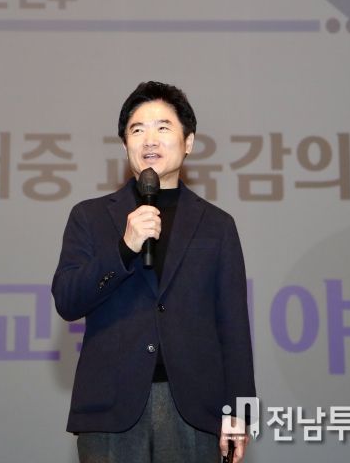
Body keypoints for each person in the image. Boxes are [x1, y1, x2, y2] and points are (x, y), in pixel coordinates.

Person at [52, 81, 256, 462]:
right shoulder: (90, 217)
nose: (150, 140)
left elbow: (234, 328)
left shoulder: (217, 226)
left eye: (163, 127)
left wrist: (242, 413)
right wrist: (123, 248)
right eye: (137, 130)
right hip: (110, 411)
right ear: (124, 145)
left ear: (188, 142)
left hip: (193, 412)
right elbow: (67, 298)